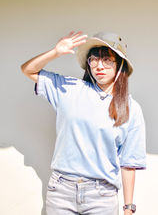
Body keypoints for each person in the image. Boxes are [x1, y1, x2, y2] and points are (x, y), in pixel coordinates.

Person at [21, 31, 146, 215]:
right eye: (94, 59)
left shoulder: (131, 109)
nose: (99, 66)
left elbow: (129, 163)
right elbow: (28, 70)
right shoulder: (69, 89)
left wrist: (129, 208)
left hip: (102, 196)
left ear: (119, 64)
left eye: (107, 60)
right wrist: (55, 52)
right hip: (61, 192)